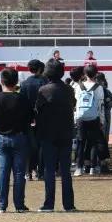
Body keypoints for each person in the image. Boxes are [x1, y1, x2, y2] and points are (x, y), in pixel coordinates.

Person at [34, 59, 77, 212]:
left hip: (48, 134)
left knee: (49, 170)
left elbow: (37, 110)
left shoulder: (43, 90)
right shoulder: (69, 89)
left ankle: (49, 203)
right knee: (65, 171)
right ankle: (69, 204)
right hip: (66, 133)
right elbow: (73, 105)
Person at [0, 68, 32, 213]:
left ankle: (1, 205)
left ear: (2, 81)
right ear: (16, 81)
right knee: (19, 173)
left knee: (3, 172)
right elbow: (30, 120)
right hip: (19, 137)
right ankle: (19, 205)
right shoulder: (23, 99)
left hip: (1, 138)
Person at [72, 64, 105, 176]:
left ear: (85, 74)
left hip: (81, 117)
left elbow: (76, 103)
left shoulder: (79, 86)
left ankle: (79, 168)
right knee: (93, 143)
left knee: (80, 142)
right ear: (96, 74)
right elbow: (101, 105)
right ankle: (92, 167)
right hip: (94, 117)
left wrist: (75, 118)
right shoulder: (98, 87)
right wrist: (102, 120)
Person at [20, 59, 46, 180]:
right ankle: (40, 171)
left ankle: (28, 171)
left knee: (28, 144)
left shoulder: (24, 83)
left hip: (27, 118)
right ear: (40, 69)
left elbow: (22, 102)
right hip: (42, 117)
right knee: (41, 145)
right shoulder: (44, 82)